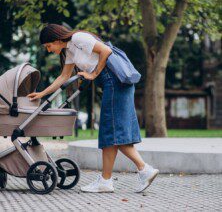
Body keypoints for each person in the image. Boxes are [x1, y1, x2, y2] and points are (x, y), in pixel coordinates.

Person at [28, 24, 159, 193]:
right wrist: (41, 94)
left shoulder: (78, 38)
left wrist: (93, 74)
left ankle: (139, 170)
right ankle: (113, 179)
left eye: (48, 46)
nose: (48, 50)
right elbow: (64, 77)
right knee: (113, 132)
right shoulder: (69, 50)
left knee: (111, 132)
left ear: (57, 40)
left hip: (113, 82)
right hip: (113, 84)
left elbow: (106, 51)